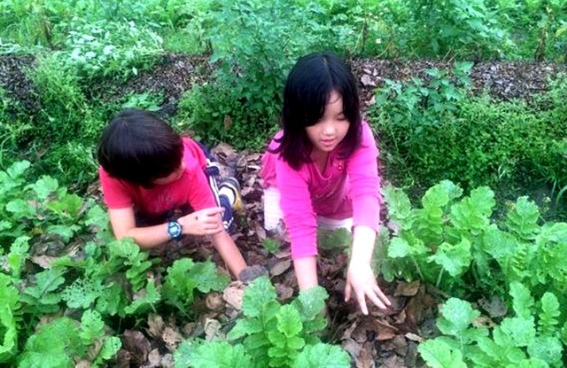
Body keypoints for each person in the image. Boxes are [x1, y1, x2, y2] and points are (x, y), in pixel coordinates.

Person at [260, 52, 391, 315]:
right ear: (297, 116)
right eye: (317, 118)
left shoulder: (359, 135)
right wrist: (313, 303)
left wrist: (360, 262)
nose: (330, 131)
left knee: (342, 241)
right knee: (276, 233)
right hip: (287, 185)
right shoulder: (286, 151)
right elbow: (300, 225)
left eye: (340, 117)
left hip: (332, 190)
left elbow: (366, 191)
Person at [97, 109, 247, 278]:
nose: (181, 166)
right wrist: (180, 226)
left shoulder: (188, 168)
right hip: (157, 192)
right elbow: (125, 237)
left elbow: (218, 234)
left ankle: (227, 193)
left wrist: (248, 282)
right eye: (172, 170)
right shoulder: (115, 174)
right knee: (149, 225)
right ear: (144, 180)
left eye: (179, 157)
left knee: (220, 221)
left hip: (198, 169)